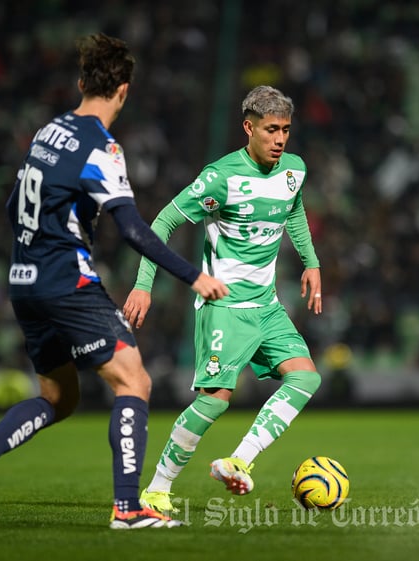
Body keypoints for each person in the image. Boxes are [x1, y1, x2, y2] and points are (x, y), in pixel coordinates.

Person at [0, 33, 228, 530]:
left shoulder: (46, 132)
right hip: (66, 283)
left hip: (23, 280)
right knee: (133, 380)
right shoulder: (103, 148)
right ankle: (128, 507)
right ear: (124, 90)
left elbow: (14, 207)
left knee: (60, 398)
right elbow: (133, 229)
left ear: (81, 83)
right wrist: (193, 276)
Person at [122, 85, 323, 515]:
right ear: (248, 128)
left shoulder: (294, 170)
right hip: (225, 307)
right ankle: (157, 489)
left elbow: (294, 210)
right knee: (214, 400)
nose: (280, 139)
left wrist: (311, 262)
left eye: (286, 130)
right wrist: (144, 284)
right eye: (271, 130)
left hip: (266, 306)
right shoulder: (221, 178)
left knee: (306, 378)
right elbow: (164, 221)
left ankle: (239, 460)